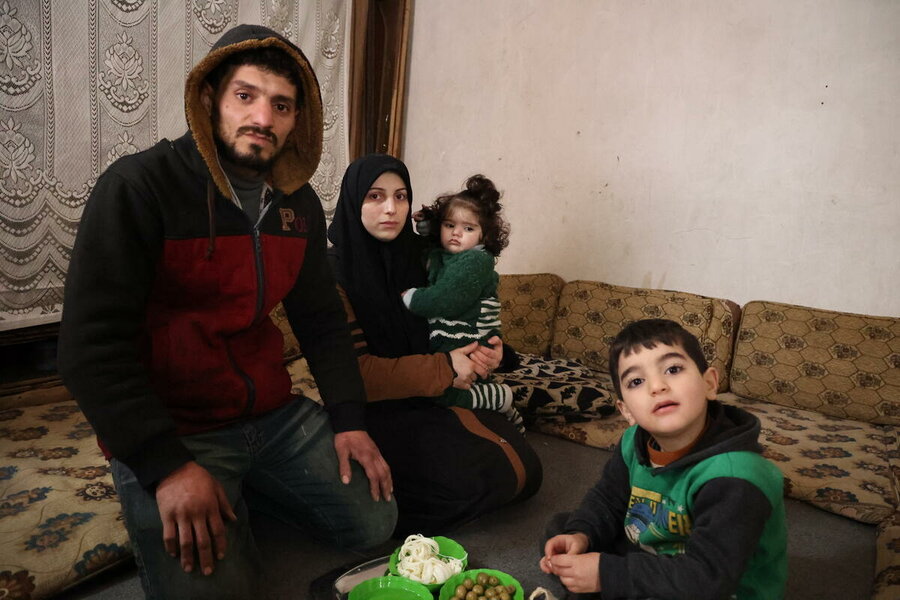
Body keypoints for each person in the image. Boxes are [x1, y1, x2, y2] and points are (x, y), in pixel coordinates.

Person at [57, 24, 396, 599]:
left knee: (374, 520)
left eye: (281, 105)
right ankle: (195, 485)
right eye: (246, 95)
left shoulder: (300, 205)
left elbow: (320, 319)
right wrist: (166, 466)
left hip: (270, 414)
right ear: (210, 98)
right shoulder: (139, 187)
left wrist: (350, 419)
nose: (262, 117)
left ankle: (243, 487)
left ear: (296, 121)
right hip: (176, 425)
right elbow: (89, 348)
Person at [327, 154, 542, 536]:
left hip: (437, 393)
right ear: (352, 201)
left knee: (525, 470)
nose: (391, 209)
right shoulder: (334, 271)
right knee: (468, 480)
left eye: (401, 196)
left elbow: (461, 320)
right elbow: (353, 374)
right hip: (377, 406)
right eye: (375, 197)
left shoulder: (423, 258)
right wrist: (445, 367)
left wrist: (493, 353)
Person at [540, 319, 787, 599]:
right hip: (654, 554)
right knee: (563, 531)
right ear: (626, 410)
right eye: (636, 381)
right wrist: (581, 535)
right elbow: (608, 499)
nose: (657, 386)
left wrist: (606, 574)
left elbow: (708, 579)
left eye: (673, 369)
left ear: (709, 383)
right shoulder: (634, 441)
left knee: (603, 573)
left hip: (713, 584)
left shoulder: (736, 477)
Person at [401, 174, 524, 432]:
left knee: (440, 390)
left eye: (468, 229)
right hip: (458, 333)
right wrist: (426, 227)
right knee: (435, 385)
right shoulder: (448, 255)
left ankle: (497, 398)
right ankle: (499, 412)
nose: (456, 233)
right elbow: (429, 254)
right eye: (449, 225)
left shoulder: (476, 261)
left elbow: (445, 299)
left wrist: (411, 297)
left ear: (483, 236)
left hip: (471, 336)